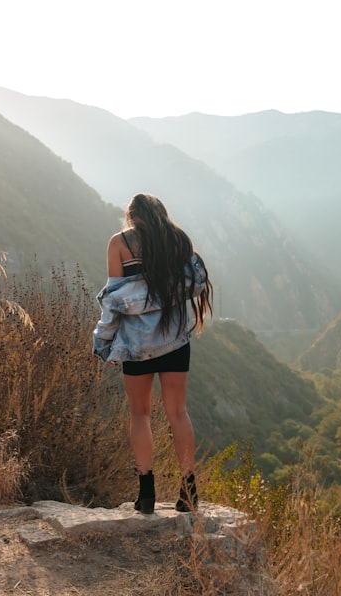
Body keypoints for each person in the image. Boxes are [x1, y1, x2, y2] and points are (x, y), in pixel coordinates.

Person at [92, 193, 213, 514]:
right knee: (178, 414)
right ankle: (189, 491)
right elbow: (196, 282)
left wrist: (103, 342)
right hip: (175, 341)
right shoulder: (177, 241)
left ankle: (146, 494)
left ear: (131, 216)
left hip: (135, 347)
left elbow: (114, 303)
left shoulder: (119, 244)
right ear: (160, 213)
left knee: (140, 414)